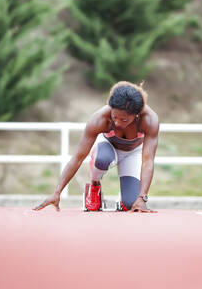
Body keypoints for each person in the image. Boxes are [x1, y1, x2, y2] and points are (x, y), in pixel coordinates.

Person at [33, 81, 159, 213]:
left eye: (124, 120)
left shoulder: (150, 120)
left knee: (132, 204)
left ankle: (124, 200)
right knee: (102, 159)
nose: (117, 123)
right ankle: (94, 186)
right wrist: (57, 192)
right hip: (108, 147)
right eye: (114, 117)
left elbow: (147, 161)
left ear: (136, 114)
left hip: (133, 153)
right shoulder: (99, 119)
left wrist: (142, 198)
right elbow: (78, 157)